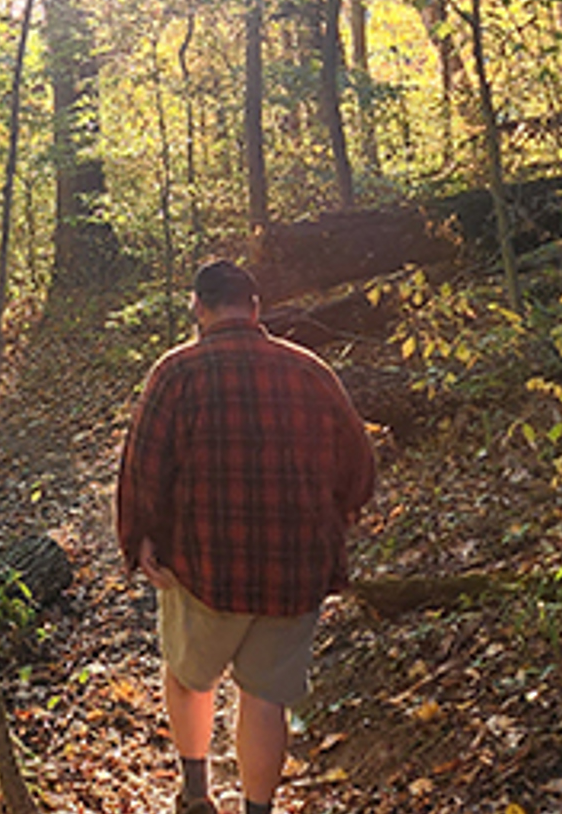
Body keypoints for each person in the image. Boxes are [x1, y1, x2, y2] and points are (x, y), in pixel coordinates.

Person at [115, 259, 377, 814]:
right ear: (255, 307)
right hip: (294, 571)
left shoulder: (177, 372)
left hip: (203, 565)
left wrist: (139, 536)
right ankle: (257, 809)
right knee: (265, 698)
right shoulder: (309, 370)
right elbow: (358, 462)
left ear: (197, 307)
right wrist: (332, 521)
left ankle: (196, 794)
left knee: (189, 678)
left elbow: (144, 465)